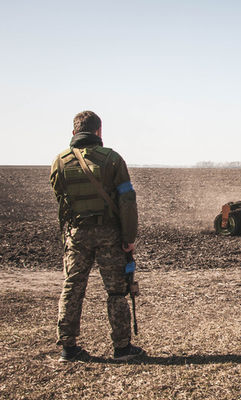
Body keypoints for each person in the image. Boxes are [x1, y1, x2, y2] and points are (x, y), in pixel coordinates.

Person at [50, 110, 145, 362]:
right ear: (99, 132)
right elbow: (127, 200)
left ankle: (68, 348)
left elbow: (62, 203)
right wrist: (129, 236)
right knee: (116, 291)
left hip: (76, 234)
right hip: (108, 235)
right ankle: (122, 347)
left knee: (72, 287)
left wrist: (67, 236)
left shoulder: (59, 162)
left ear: (74, 132)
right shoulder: (112, 160)